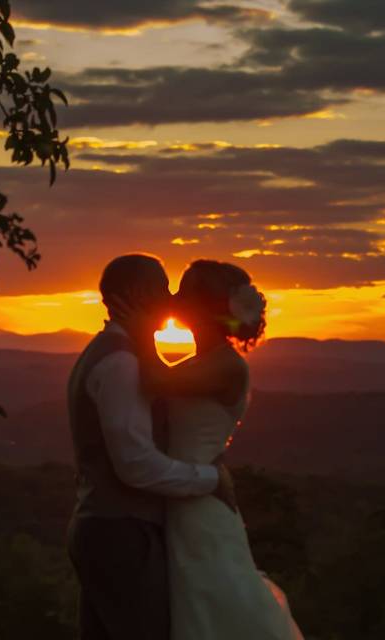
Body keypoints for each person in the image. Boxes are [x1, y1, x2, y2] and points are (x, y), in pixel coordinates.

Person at [112, 259, 304, 640]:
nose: (172, 297)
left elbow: (154, 379)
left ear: (204, 306)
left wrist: (139, 326)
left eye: (182, 291)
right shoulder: (201, 362)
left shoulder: (227, 367)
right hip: (184, 494)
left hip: (200, 507)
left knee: (209, 609)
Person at [65, 253, 236, 640]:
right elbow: (135, 464)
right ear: (141, 294)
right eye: (163, 289)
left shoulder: (111, 352)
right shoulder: (120, 364)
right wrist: (210, 479)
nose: (172, 298)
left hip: (106, 529)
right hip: (121, 534)